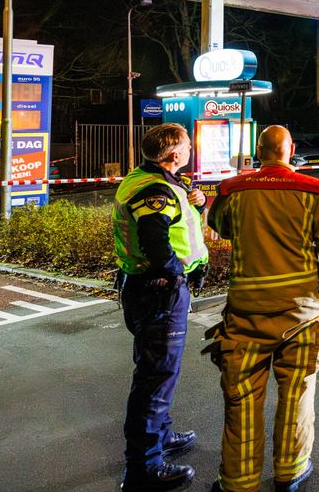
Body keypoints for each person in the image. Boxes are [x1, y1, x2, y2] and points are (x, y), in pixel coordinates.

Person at [204, 125, 319, 492]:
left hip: (245, 317)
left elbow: (219, 227)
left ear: (258, 150)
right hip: (301, 317)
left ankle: (239, 480)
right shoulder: (314, 190)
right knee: (297, 394)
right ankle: (291, 470)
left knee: (242, 400)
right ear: (291, 150)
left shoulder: (234, 190)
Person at [112, 123, 208, 491]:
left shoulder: (145, 177)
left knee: (154, 370)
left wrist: (193, 199)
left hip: (143, 289)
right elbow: (156, 240)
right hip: (160, 293)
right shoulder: (155, 189)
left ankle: (161, 435)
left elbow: (171, 216)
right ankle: (143, 468)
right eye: (186, 146)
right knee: (155, 379)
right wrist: (177, 273)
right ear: (173, 154)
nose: (189, 150)